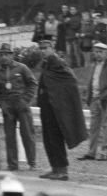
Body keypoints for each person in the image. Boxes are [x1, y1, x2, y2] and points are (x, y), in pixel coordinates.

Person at [36, 39, 87, 180]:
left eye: (45, 48)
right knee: (48, 139)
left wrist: (59, 98)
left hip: (56, 109)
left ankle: (62, 170)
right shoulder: (46, 64)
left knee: (56, 138)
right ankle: (54, 167)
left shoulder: (57, 62)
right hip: (47, 108)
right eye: (40, 48)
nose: (42, 50)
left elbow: (70, 80)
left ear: (52, 48)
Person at [0, 43, 38, 170]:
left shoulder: (22, 68)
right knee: (10, 136)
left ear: (12, 55)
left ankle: (32, 162)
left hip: (21, 104)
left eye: (6, 54)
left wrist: (26, 100)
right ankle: (12, 164)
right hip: (8, 106)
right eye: (1, 54)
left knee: (27, 134)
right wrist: (1, 104)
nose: (4, 57)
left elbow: (32, 84)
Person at [79, 41, 107, 161]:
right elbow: (92, 82)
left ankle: (105, 153)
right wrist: (89, 98)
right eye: (96, 52)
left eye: (100, 52)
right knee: (94, 127)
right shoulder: (94, 66)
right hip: (95, 99)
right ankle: (92, 152)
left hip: (106, 100)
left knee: (106, 126)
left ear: (105, 53)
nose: (98, 54)